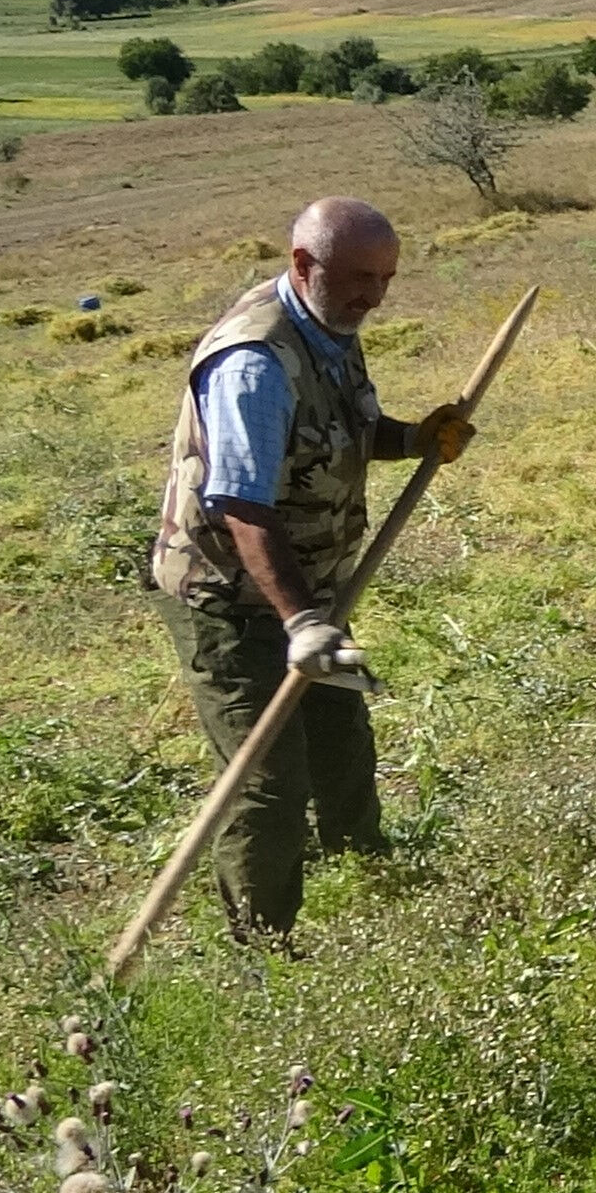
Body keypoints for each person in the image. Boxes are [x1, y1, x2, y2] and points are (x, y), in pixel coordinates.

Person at [143, 198, 474, 938]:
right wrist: (299, 623)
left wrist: (416, 438)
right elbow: (244, 507)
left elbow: (341, 434)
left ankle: (373, 892)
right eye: (360, 277)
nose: (375, 296)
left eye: (386, 278)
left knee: (342, 748)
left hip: (308, 593)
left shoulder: (328, 325)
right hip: (231, 599)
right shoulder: (254, 364)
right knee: (267, 786)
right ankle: (267, 952)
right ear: (304, 265)